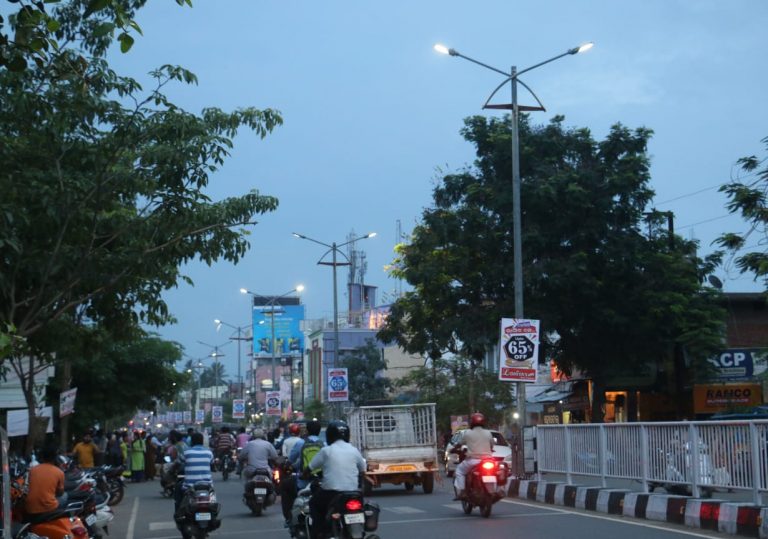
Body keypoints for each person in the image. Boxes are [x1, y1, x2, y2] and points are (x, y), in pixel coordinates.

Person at [308, 420, 366, 539]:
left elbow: (309, 468)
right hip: (354, 493)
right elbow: (363, 470)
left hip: (331, 493)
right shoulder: (354, 450)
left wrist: (303, 475)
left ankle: (319, 532)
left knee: (313, 503)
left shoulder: (326, 451)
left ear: (330, 435)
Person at [285, 420, 324, 527]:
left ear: (307, 430)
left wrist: (289, 465)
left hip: (303, 481)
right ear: (319, 431)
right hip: (321, 481)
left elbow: (293, 460)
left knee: (285, 487)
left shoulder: (301, 443)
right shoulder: (323, 444)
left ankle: (289, 518)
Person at [452, 412, 494, 500]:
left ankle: (463, 491)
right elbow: (492, 445)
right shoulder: (488, 433)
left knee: (459, 471)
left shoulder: (467, 433)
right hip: (488, 460)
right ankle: (496, 490)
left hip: (473, 460)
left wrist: (455, 448)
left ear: (472, 422)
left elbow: (459, 443)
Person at [175, 432, 213, 513]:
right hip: (207, 485)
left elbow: (180, 461)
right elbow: (211, 462)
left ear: (191, 441)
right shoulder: (209, 452)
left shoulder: (187, 452)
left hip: (189, 486)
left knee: (178, 490)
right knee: (213, 498)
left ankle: (178, 512)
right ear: (202, 441)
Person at [25, 441, 65, 516]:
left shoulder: (33, 470)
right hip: (49, 508)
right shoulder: (59, 472)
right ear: (55, 457)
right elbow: (60, 493)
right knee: (65, 496)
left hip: (30, 508)